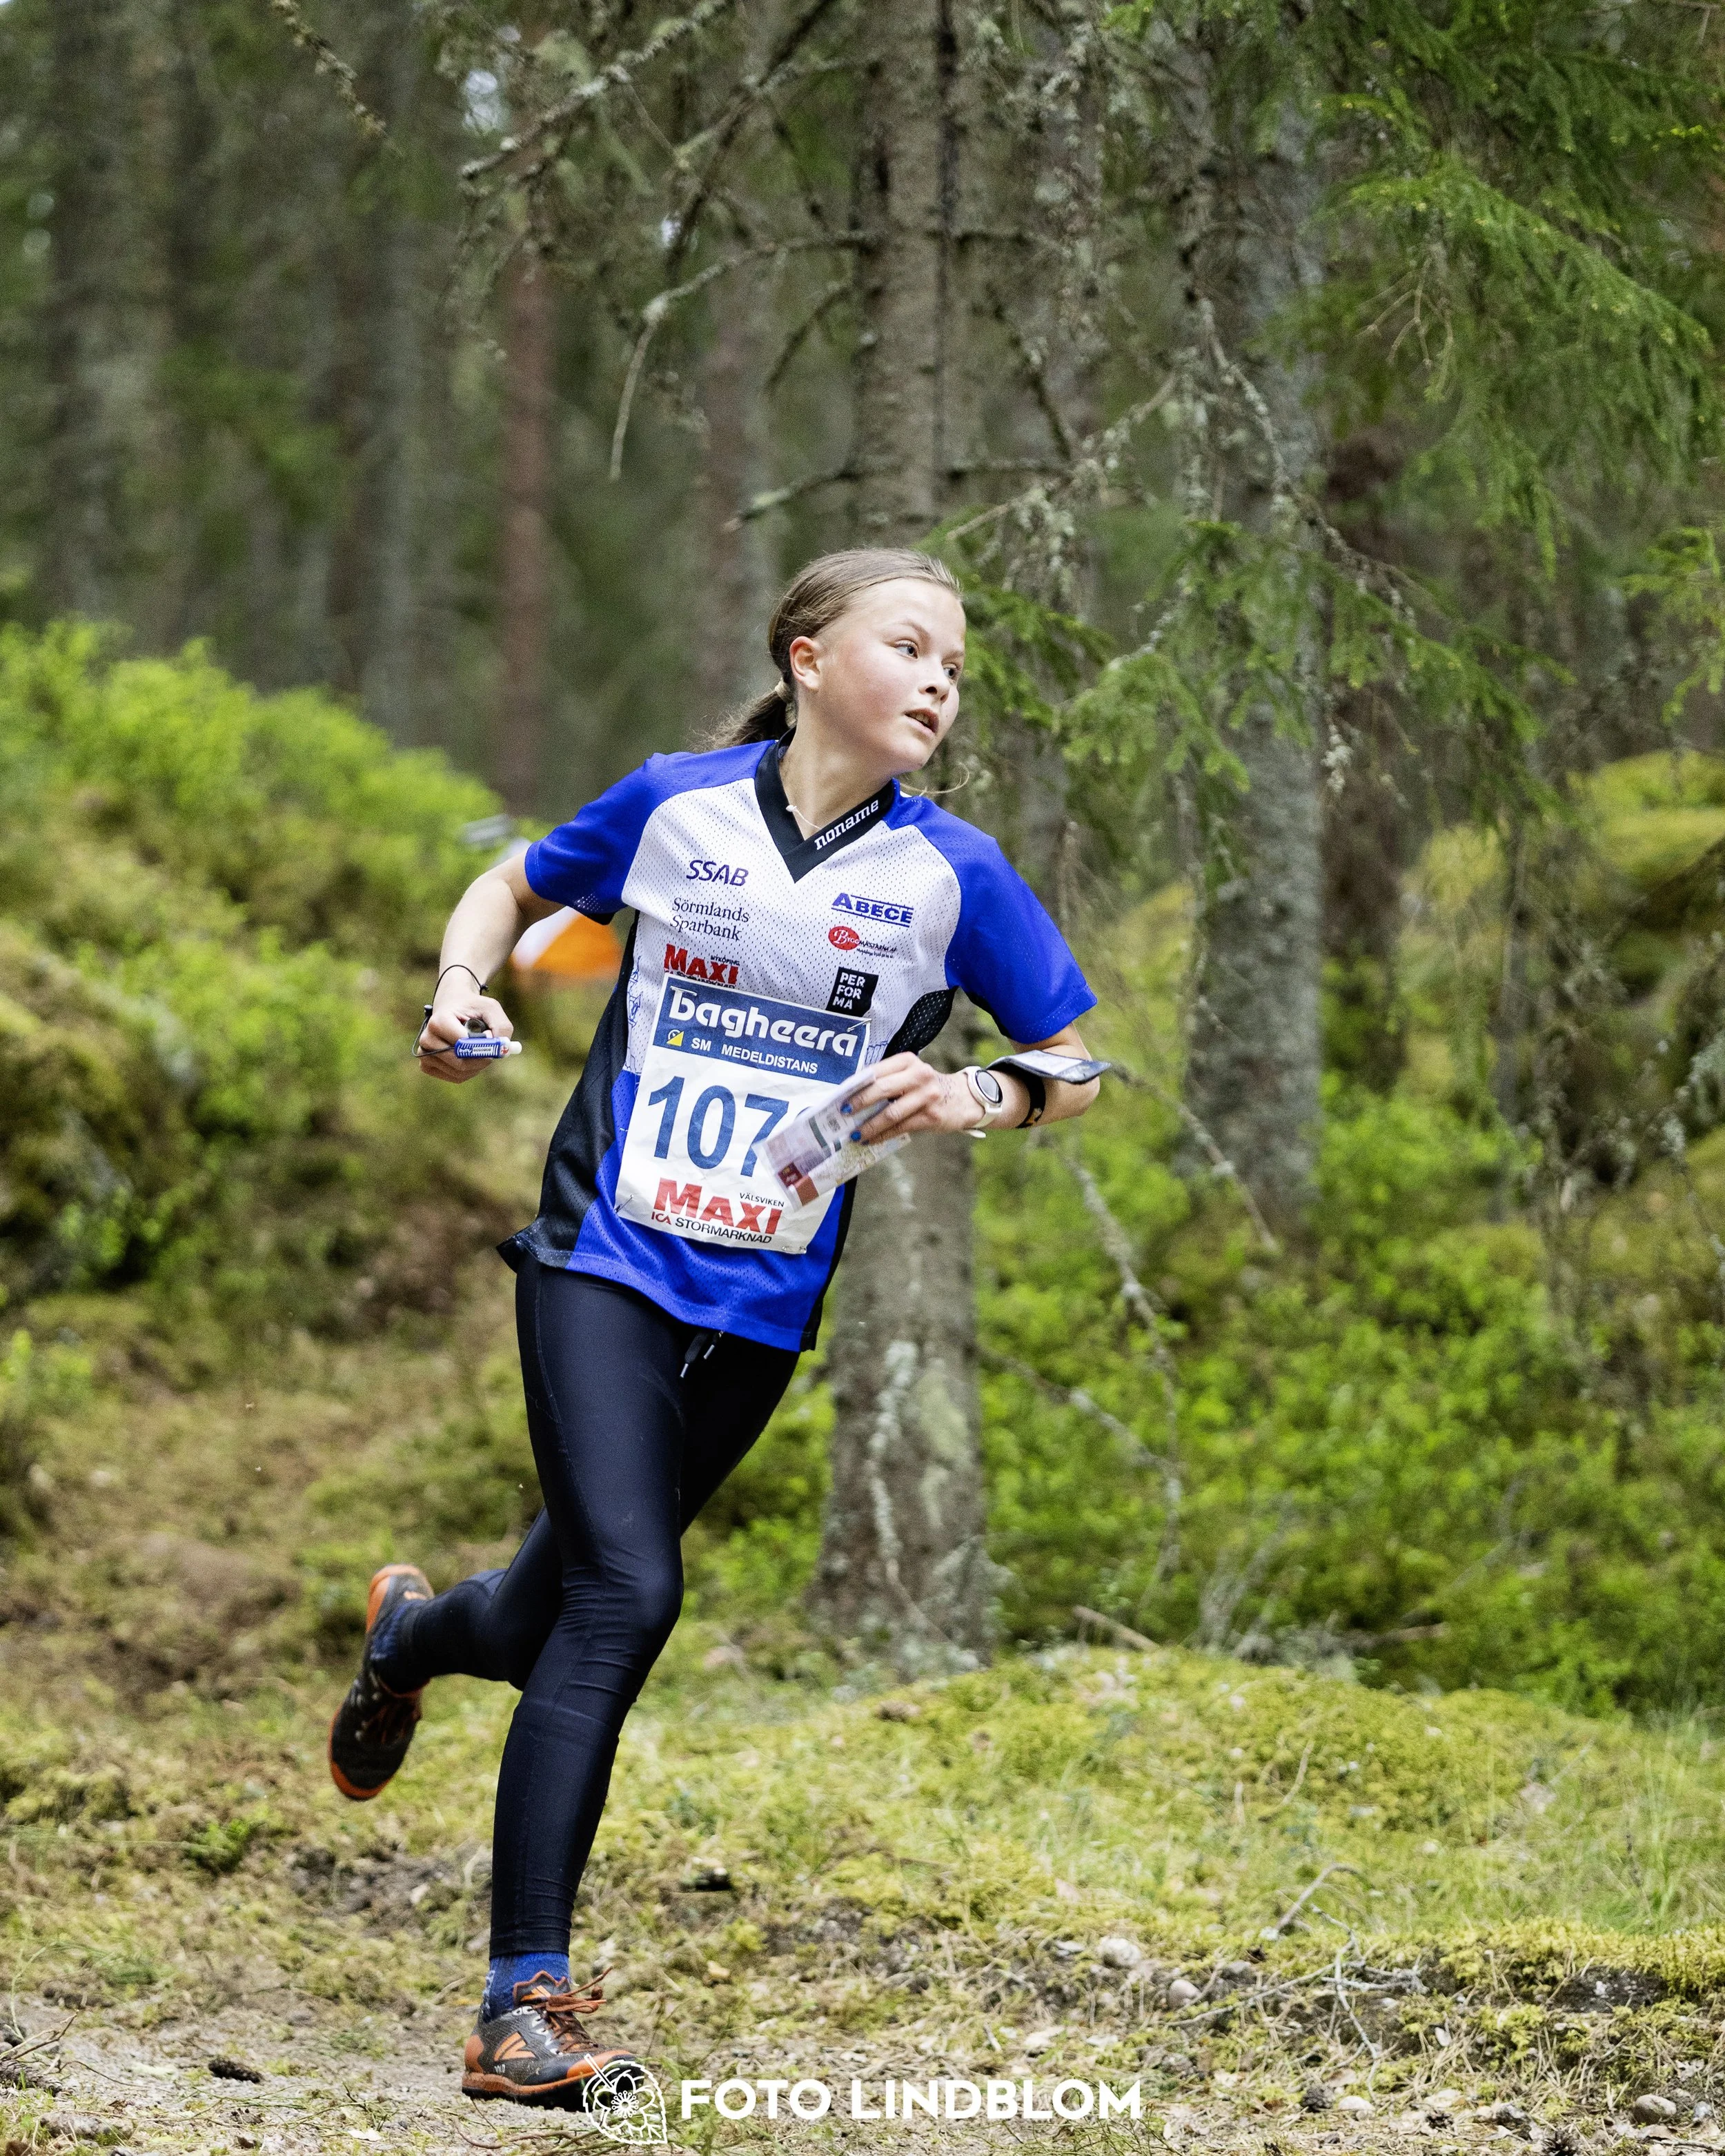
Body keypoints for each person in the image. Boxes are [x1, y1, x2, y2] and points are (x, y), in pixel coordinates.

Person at [325, 548, 1102, 2109]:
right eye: (909, 644)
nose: (942, 679)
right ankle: (517, 2002)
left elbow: (1070, 1061)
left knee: (550, 1605)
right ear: (809, 659)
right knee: (627, 1587)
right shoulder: (677, 805)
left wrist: (973, 1092)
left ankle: (411, 1635)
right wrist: (464, 989)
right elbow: (511, 885)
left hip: (760, 1301)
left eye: (956, 661)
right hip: (601, 1255)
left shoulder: (953, 874)